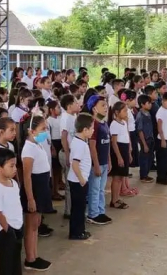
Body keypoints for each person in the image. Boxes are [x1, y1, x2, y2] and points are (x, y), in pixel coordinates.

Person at [20, 114, 52, 271]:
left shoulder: (37, 145)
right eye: (42, 129)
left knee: (36, 224)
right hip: (34, 189)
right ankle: (30, 258)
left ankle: (35, 255)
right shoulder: (28, 150)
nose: (45, 132)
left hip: (41, 187)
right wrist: (30, 198)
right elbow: (26, 177)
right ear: (31, 131)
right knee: (31, 225)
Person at [0, 148, 23, 275]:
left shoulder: (13, 183)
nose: (15, 168)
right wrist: (8, 230)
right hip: (6, 231)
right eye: (11, 166)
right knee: (7, 264)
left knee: (16, 261)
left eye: (15, 165)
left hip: (17, 227)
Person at [84, 95, 112, 225]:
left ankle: (100, 211)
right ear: (94, 108)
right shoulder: (93, 124)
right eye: (102, 105)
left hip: (104, 162)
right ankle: (93, 213)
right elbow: (92, 146)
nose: (106, 107)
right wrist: (95, 164)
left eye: (106, 105)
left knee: (101, 189)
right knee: (94, 189)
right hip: (97, 163)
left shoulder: (104, 123)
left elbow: (107, 144)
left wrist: (109, 160)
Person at [68, 113, 94, 240]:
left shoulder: (79, 141)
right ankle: (76, 232)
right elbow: (75, 164)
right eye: (92, 128)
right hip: (78, 181)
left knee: (79, 207)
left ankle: (79, 230)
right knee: (79, 208)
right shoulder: (80, 144)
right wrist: (82, 179)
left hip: (78, 180)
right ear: (85, 130)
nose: (93, 131)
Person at [59, 94, 80, 219]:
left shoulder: (74, 116)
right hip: (68, 152)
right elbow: (64, 137)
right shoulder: (65, 118)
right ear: (69, 106)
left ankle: (74, 207)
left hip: (74, 152)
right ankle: (68, 210)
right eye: (76, 103)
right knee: (69, 183)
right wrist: (67, 155)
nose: (78, 104)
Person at [109, 101, 131, 209]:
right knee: (117, 177)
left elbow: (127, 137)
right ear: (117, 112)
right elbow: (114, 142)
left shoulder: (124, 122)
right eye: (124, 111)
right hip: (119, 151)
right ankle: (114, 200)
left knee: (121, 177)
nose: (126, 112)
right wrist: (119, 157)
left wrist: (129, 152)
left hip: (125, 149)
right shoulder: (114, 124)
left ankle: (117, 198)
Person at [136, 94, 155, 183]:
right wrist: (144, 144)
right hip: (145, 140)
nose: (150, 104)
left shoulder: (148, 113)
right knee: (144, 158)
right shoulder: (140, 116)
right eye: (148, 103)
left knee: (150, 157)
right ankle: (143, 175)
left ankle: (146, 174)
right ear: (142, 104)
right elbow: (140, 131)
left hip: (150, 138)